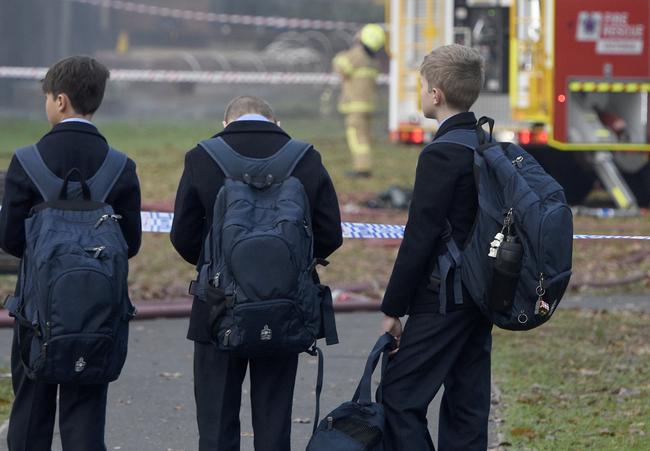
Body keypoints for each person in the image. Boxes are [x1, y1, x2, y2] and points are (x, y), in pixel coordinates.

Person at [170, 95, 342, 451]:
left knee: (216, 426)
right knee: (274, 424)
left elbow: (182, 236)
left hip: (217, 307)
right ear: (276, 123)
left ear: (225, 123)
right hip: (285, 304)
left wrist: (218, 266)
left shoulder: (202, 156)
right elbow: (331, 234)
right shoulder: (305, 157)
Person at [0, 56, 142, 451]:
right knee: (86, 410)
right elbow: (129, 242)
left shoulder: (27, 161)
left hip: (37, 311)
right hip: (97, 311)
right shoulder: (121, 166)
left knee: (31, 408)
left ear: (60, 101)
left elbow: (11, 239)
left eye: (46, 97)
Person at [380, 44, 492, 451]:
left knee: (399, 396)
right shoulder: (485, 143)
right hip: (483, 294)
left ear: (436, 94)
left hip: (442, 296)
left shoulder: (441, 154)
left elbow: (420, 237)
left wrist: (393, 308)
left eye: (422, 85)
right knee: (467, 404)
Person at [332, 23, 386, 177]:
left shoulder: (356, 55)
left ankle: (362, 169)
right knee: (364, 136)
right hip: (368, 105)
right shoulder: (373, 60)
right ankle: (364, 166)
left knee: (357, 138)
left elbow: (340, 65)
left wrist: (350, 48)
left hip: (355, 106)